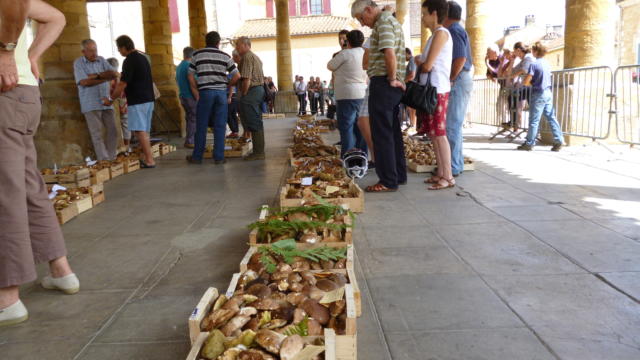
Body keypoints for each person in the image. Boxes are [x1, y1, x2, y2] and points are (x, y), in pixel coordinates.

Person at [0, 0, 79, 328]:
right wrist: (30, 56)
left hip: (5, 94)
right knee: (29, 187)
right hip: (22, 94)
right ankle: (62, 271)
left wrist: (7, 53)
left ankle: (7, 297)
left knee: (6, 193)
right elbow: (56, 18)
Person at [352, 0, 407, 193]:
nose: (362, 23)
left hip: (384, 83)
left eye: (361, 18)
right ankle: (398, 175)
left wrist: (392, 78)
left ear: (368, 9)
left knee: (382, 133)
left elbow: (389, 53)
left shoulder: (383, 23)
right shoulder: (388, 20)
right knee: (392, 132)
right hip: (388, 83)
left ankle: (388, 180)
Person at [416, 0, 454, 190]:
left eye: (424, 13)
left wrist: (421, 63)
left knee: (439, 134)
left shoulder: (441, 33)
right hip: (431, 91)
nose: (422, 17)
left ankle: (448, 176)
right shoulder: (434, 36)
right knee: (433, 134)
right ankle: (441, 172)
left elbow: (428, 65)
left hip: (437, 90)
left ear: (433, 13)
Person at [186, 31, 240, 165]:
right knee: (220, 125)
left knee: (201, 125)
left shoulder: (197, 55)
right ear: (218, 42)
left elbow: (190, 75)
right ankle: (219, 157)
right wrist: (226, 85)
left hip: (205, 93)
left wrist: (197, 89)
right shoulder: (225, 56)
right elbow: (237, 76)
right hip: (221, 94)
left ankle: (197, 157)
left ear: (206, 41)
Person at [108, 35, 156, 168]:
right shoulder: (143, 58)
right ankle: (147, 156)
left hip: (138, 100)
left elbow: (123, 84)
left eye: (119, 49)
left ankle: (150, 160)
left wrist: (111, 99)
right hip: (148, 99)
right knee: (144, 130)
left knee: (140, 131)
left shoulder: (129, 60)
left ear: (124, 47)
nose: (119, 52)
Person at [73, 39, 119, 161]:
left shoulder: (102, 60)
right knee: (96, 134)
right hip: (90, 103)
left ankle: (112, 157)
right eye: (91, 51)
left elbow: (114, 74)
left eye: (95, 50)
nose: (94, 53)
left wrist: (96, 76)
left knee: (113, 130)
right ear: (83, 51)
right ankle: (104, 160)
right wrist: (104, 77)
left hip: (106, 101)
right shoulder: (78, 63)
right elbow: (84, 82)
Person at [443, 0, 473, 177]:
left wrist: (451, 78)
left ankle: (453, 166)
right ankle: (456, 163)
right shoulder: (457, 29)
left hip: (459, 80)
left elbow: (460, 59)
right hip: (462, 79)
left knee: (451, 125)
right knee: (454, 125)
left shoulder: (453, 30)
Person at [327, 29, 368, 157]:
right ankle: (362, 156)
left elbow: (330, 65)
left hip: (346, 95)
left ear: (348, 41)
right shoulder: (365, 53)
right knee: (361, 127)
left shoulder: (345, 54)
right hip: (362, 93)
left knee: (347, 128)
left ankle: (348, 157)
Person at [517, 41, 564, 152]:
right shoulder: (547, 63)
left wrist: (527, 83)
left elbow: (527, 80)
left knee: (534, 120)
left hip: (538, 93)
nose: (532, 51)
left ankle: (529, 143)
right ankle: (559, 141)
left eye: (533, 50)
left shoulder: (534, 64)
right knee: (551, 117)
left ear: (536, 51)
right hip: (548, 92)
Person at [235, 36, 267, 161]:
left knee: (253, 120)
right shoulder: (255, 57)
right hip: (258, 90)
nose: (236, 47)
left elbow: (246, 79)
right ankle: (258, 150)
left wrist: (243, 94)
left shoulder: (247, 57)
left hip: (252, 91)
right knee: (256, 119)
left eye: (237, 44)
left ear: (244, 45)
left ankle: (258, 152)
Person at [508, 42, 534, 131]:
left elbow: (525, 70)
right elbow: (511, 72)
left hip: (531, 86)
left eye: (514, 51)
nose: (514, 53)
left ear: (518, 50)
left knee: (533, 109)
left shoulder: (528, 57)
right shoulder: (523, 60)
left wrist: (514, 76)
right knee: (512, 96)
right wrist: (512, 61)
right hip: (526, 86)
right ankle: (514, 123)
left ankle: (516, 123)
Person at [106, 57, 130, 152]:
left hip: (114, 104)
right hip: (124, 103)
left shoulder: (109, 79)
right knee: (126, 124)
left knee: (115, 126)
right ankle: (127, 146)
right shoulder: (121, 76)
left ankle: (119, 147)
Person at [176, 46, 197, 148]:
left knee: (189, 118)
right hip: (190, 96)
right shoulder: (189, 66)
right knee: (193, 118)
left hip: (182, 96)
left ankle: (189, 139)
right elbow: (195, 81)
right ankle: (190, 141)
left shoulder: (179, 66)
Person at [226, 49, 241, 139]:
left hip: (231, 96)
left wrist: (229, 97)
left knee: (228, 114)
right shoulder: (234, 72)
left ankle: (234, 131)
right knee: (233, 114)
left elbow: (231, 86)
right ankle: (235, 131)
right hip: (235, 96)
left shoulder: (231, 74)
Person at [404, 47, 417, 132]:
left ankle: (413, 125)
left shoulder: (412, 60)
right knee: (411, 107)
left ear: (408, 53)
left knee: (412, 107)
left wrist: (403, 81)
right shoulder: (411, 61)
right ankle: (412, 124)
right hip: (412, 86)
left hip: (412, 86)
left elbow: (412, 75)